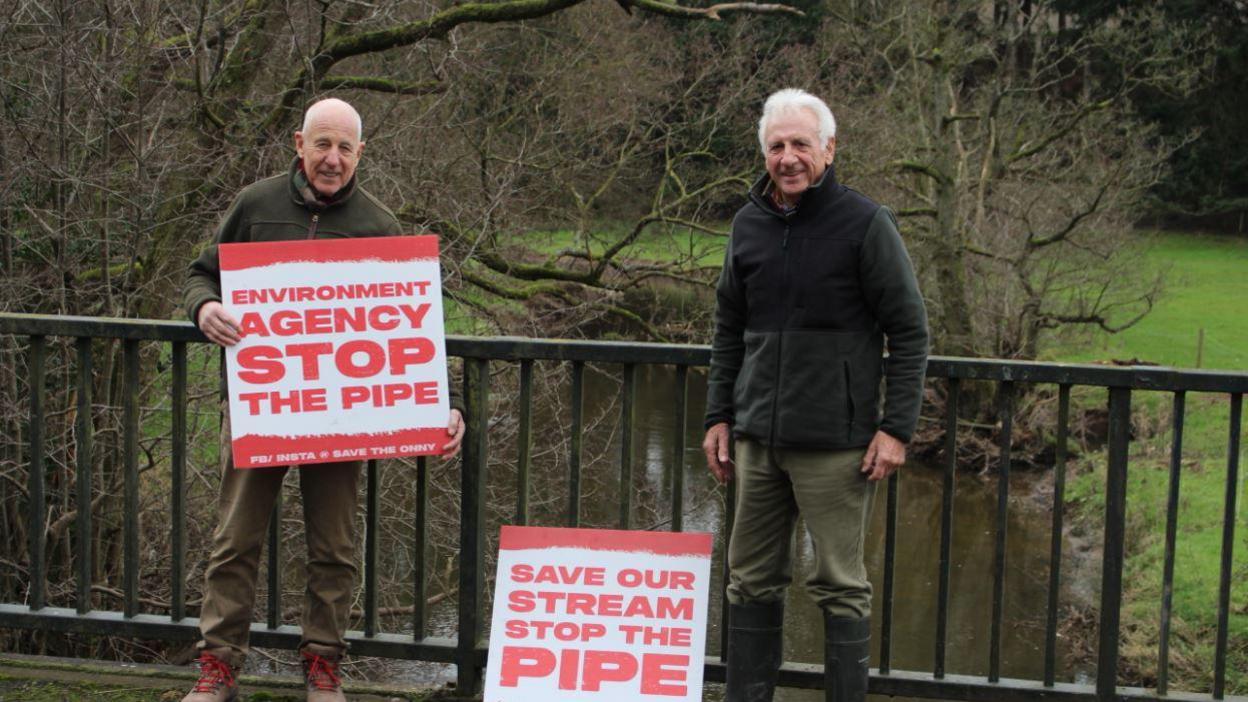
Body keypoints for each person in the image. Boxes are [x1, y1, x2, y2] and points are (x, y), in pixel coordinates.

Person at [181, 98, 466, 702]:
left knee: (333, 546)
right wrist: (204, 307)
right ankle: (218, 669)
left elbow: (416, 328)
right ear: (298, 143)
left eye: (344, 148)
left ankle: (323, 666)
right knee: (235, 541)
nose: (332, 159)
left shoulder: (380, 225)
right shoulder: (255, 205)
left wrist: (448, 400)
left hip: (344, 417)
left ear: (361, 153)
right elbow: (200, 273)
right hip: (264, 408)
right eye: (321, 145)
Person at [702, 89, 929, 702]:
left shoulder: (865, 223)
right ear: (764, 154)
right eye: (777, 146)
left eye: (801, 143)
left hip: (837, 444)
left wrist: (896, 428)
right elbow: (728, 329)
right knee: (748, 581)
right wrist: (719, 416)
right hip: (756, 442)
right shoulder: (747, 224)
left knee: (840, 584)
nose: (788, 157)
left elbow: (909, 331)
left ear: (829, 150)